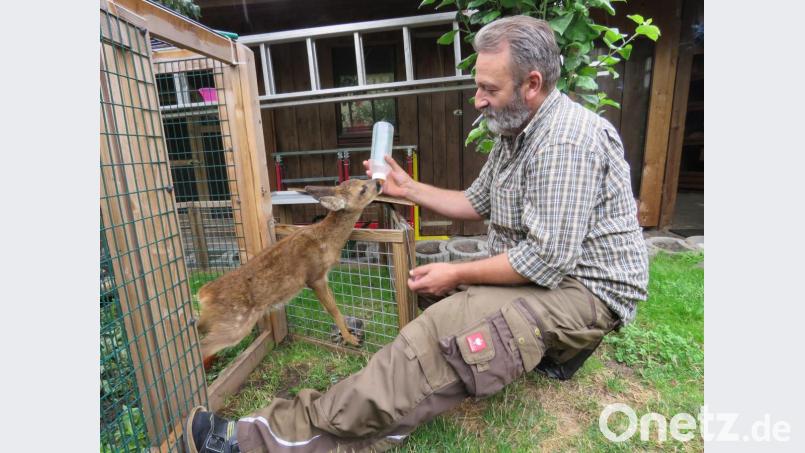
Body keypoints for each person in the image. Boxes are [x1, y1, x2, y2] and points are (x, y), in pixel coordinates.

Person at [184, 15, 649, 453]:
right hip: (551, 276)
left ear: (532, 84)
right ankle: (416, 395)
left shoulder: (566, 140)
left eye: (489, 88)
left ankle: (261, 439)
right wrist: (407, 188)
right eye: (477, 86)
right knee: (438, 294)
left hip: (581, 290)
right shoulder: (517, 134)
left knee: (442, 330)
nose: (478, 99)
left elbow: (546, 262)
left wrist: (458, 273)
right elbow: (475, 201)